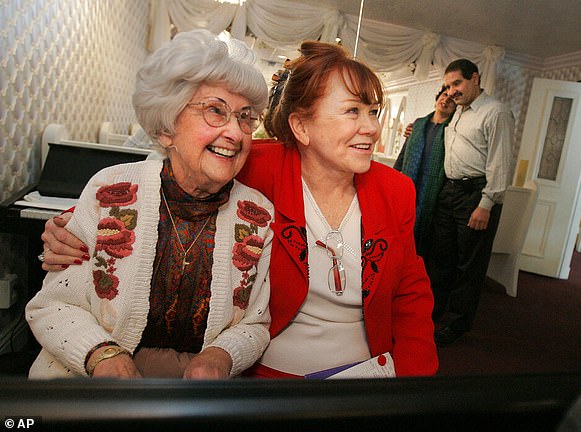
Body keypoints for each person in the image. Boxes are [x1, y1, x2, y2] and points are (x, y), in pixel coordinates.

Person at [40, 41, 438, 377]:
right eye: (353, 111)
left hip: (365, 372)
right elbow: (166, 174)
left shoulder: (394, 190)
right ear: (301, 128)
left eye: (374, 112)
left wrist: (413, 384)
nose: (371, 127)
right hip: (268, 376)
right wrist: (67, 224)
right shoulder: (256, 165)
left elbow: (409, 291)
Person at [26, 29, 274, 379]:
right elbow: (53, 304)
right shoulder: (110, 189)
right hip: (86, 384)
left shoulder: (259, 215)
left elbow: (256, 322)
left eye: (245, 117)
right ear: (166, 128)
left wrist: (221, 355)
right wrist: (101, 355)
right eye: (216, 111)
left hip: (200, 399)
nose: (235, 132)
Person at [428, 58, 515, 346]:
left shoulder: (496, 112)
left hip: (476, 195)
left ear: (475, 78)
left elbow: (501, 164)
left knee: (469, 266)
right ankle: (431, 315)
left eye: (457, 83)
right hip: (449, 192)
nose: (451, 91)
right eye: (448, 85)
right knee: (441, 260)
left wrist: (486, 204)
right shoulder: (458, 112)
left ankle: (456, 325)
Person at [393, 86, 456, 259]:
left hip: (433, 189)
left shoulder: (453, 131)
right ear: (437, 98)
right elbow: (403, 155)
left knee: (424, 233)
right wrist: (394, 179)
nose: (446, 101)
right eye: (444, 96)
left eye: (451, 101)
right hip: (410, 182)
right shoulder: (418, 125)